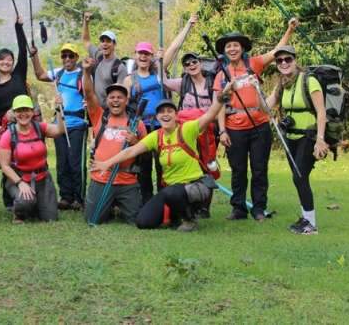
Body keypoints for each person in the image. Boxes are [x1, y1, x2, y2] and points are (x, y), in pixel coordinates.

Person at [92, 81, 238, 232]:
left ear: (176, 115)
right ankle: (176, 215)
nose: (165, 114)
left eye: (169, 111)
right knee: (143, 221)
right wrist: (107, 163)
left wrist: (222, 96)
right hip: (171, 190)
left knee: (172, 192)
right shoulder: (156, 136)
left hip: (195, 186)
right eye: (161, 112)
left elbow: (210, 115)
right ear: (157, 117)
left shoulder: (187, 129)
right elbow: (131, 151)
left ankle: (190, 219)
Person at [214, 17, 299, 221]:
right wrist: (222, 131)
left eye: (236, 45)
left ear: (242, 48)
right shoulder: (221, 74)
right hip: (234, 127)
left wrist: (289, 30)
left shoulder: (254, 63)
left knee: (260, 169)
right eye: (229, 46)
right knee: (238, 170)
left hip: (259, 125)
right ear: (225, 51)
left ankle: (259, 207)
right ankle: (239, 208)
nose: (232, 49)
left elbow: (276, 51)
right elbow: (218, 106)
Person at [265, 45, 329, 234]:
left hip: (308, 136)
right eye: (279, 60)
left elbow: (321, 112)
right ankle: (306, 219)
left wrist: (320, 139)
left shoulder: (309, 81)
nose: (284, 63)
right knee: (299, 179)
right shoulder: (282, 84)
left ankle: (311, 224)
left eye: (288, 59)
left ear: (295, 60)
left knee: (299, 177)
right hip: (290, 138)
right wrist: (253, 88)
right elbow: (265, 107)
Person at [82, 57, 147, 224]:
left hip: (127, 180)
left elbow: (147, 150)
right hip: (101, 178)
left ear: (126, 101)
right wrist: (86, 72)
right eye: (112, 97)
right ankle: (109, 205)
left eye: (120, 97)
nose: (115, 100)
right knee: (93, 219)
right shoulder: (99, 116)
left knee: (137, 220)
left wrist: (135, 142)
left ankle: (117, 204)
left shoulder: (136, 124)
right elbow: (89, 94)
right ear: (107, 100)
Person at [30, 42, 87, 210]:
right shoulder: (59, 74)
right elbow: (40, 74)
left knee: (75, 162)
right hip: (59, 123)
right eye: (64, 56)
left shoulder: (83, 75)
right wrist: (34, 56)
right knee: (62, 162)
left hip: (77, 123)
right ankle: (66, 197)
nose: (67, 59)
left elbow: (92, 92)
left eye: (70, 55)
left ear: (76, 57)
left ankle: (79, 197)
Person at [0, 95, 66, 223]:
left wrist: (59, 110)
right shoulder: (8, 135)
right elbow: (5, 165)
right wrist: (20, 183)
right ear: (14, 113)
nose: (23, 114)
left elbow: (59, 130)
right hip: (19, 179)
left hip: (42, 178)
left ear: (32, 112)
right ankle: (18, 212)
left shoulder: (39, 127)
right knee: (25, 202)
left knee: (50, 218)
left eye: (27, 110)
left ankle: (36, 205)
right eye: (19, 110)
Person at [0, 16, 30, 209]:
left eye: (9, 59)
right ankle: (8, 198)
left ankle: (26, 191)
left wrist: (18, 27)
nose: (6, 62)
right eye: (2, 60)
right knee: (7, 163)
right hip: (4, 129)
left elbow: (23, 50)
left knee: (24, 159)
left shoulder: (19, 74)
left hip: (25, 123)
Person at [123, 42, 164, 204]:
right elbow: (124, 105)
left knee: (163, 166)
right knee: (144, 167)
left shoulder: (159, 74)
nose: (143, 56)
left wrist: (189, 24)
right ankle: (147, 202)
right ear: (135, 55)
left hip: (161, 126)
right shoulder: (129, 80)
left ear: (151, 57)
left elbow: (174, 49)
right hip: (141, 127)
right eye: (140, 53)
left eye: (147, 54)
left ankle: (164, 201)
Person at [82, 12, 127, 107]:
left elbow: (120, 94)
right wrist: (86, 23)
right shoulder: (98, 55)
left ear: (114, 44)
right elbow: (86, 41)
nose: (104, 44)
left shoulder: (119, 67)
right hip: (94, 111)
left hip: (110, 112)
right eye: (102, 41)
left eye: (108, 41)